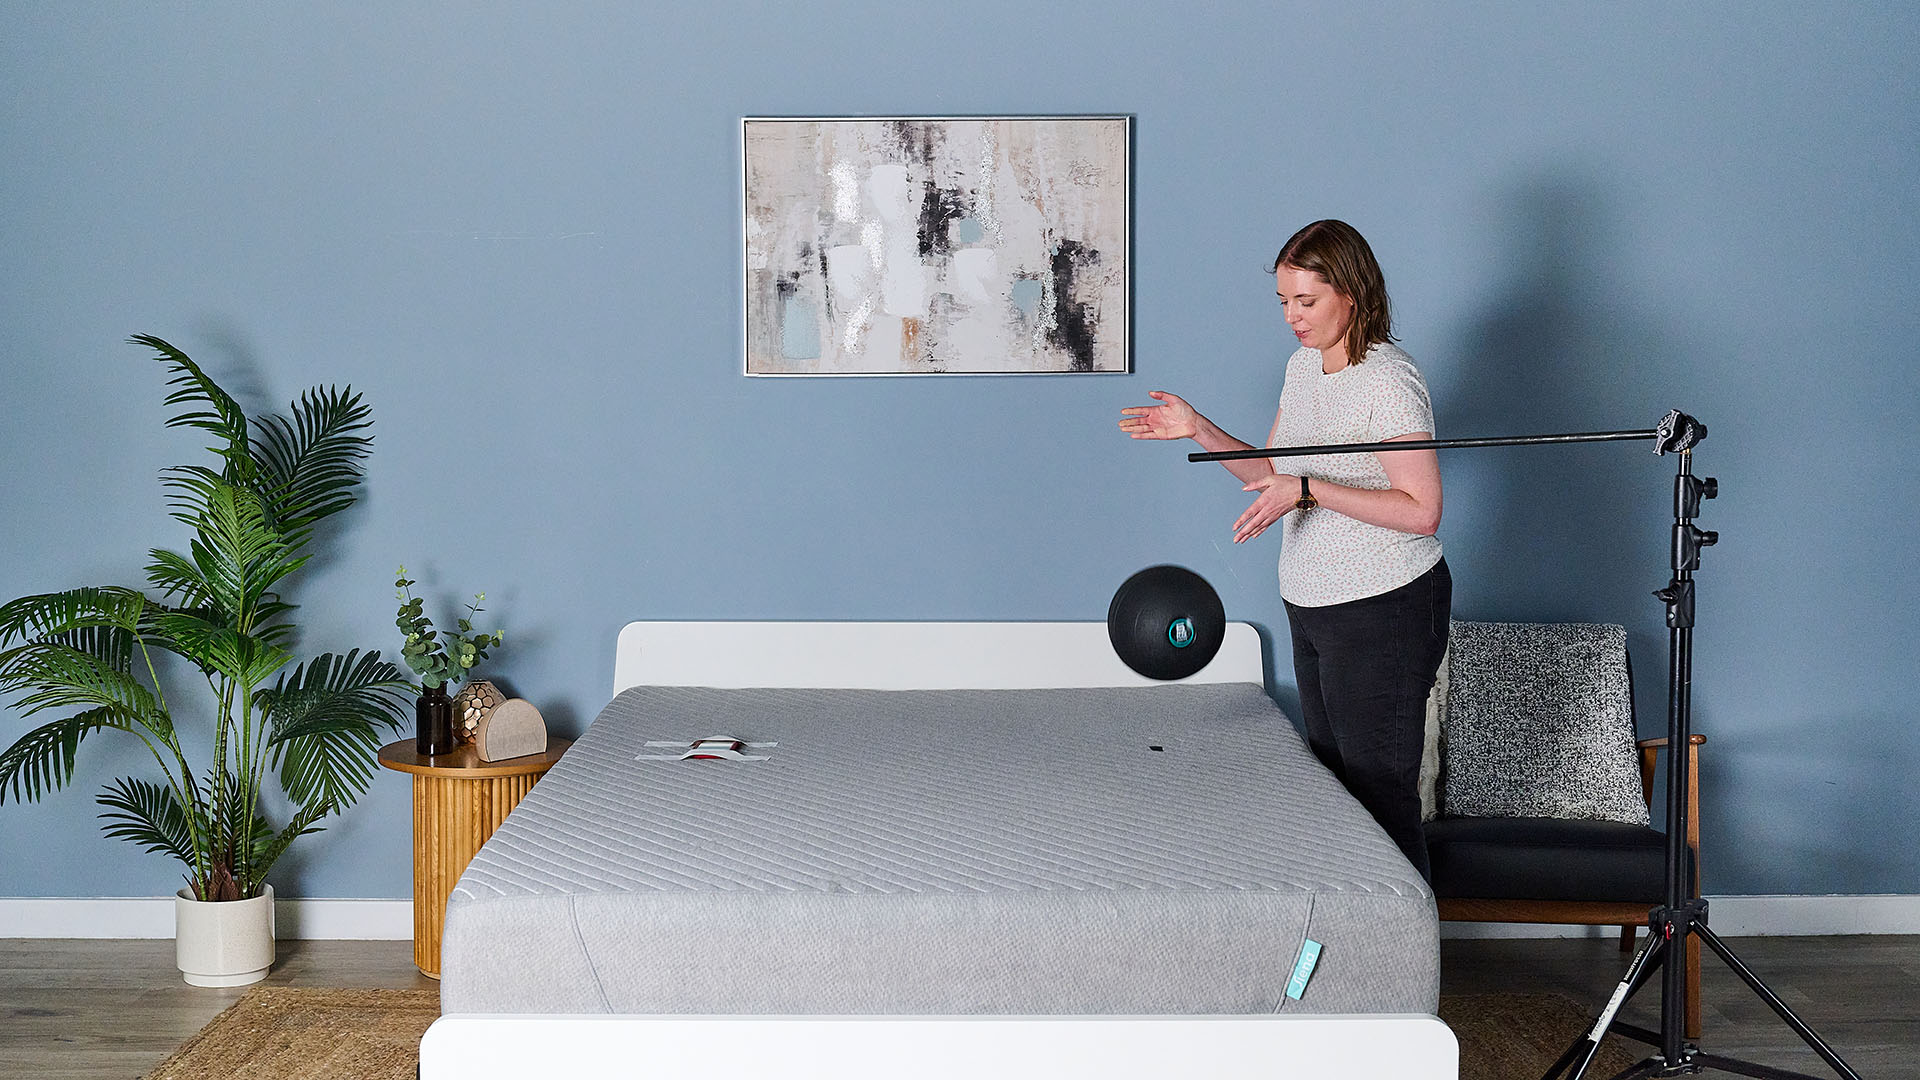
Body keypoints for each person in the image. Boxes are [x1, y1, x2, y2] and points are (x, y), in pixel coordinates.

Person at [1117, 219, 1450, 880]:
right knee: (1332, 794)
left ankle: (1407, 970)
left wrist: (1309, 488)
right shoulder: (1303, 368)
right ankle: (1351, 961)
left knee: (1379, 800)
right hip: (1313, 603)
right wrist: (1200, 429)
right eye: (1284, 303)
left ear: (1352, 294)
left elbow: (1423, 511)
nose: (1293, 318)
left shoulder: (1388, 381)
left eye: (1308, 301)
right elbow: (1272, 472)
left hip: (1383, 605)